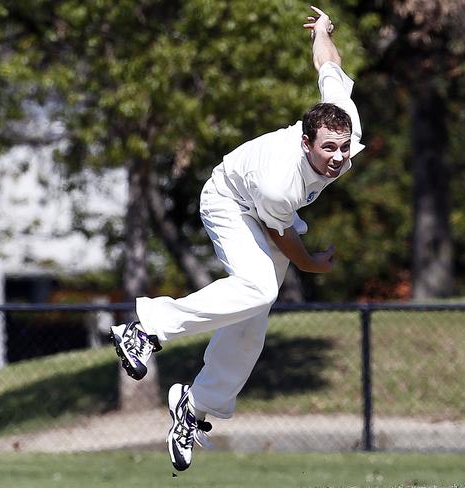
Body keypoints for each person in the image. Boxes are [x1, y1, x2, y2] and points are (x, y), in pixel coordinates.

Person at [110, 5, 364, 472]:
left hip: (267, 214)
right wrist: (309, 264)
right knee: (260, 287)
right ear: (306, 143)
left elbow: (329, 68)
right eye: (328, 148)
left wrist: (322, 33)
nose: (338, 157)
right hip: (229, 201)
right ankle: (145, 328)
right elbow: (276, 231)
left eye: (343, 146)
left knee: (250, 324)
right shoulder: (279, 181)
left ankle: (194, 406)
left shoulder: (344, 122)